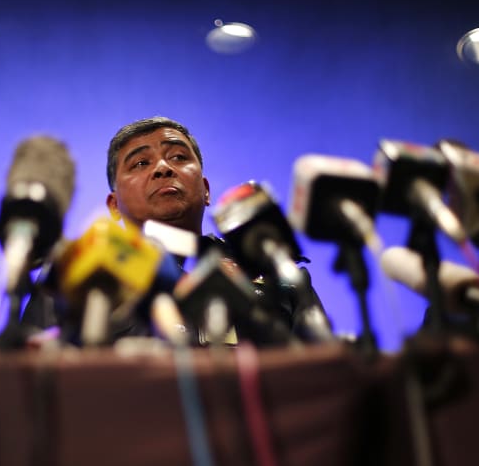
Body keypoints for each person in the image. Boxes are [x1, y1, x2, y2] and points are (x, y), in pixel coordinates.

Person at [21, 115, 332, 347]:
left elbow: (324, 373)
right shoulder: (72, 274)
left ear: (206, 190)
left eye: (179, 157)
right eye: (140, 163)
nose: (162, 168)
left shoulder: (272, 267)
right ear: (113, 206)